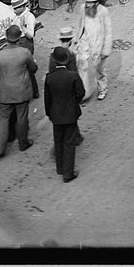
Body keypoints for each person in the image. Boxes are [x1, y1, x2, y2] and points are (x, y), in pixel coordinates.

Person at [0, 24, 37, 157]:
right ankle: (23, 143)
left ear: (6, 37)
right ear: (19, 38)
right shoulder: (25, 53)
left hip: (4, 93)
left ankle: (0, 149)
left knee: (3, 120)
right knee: (22, 118)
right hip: (22, 91)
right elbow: (33, 69)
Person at [44, 46, 85, 182]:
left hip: (55, 114)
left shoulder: (49, 78)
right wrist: (74, 103)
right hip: (70, 114)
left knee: (58, 141)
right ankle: (68, 173)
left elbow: (47, 98)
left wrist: (49, 113)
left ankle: (60, 167)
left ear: (54, 61)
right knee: (69, 143)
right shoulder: (72, 76)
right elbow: (80, 93)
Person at [74, 0, 113, 103]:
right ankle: (83, 92)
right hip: (85, 41)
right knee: (81, 65)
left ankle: (102, 89)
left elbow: (108, 31)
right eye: (87, 2)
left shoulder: (103, 11)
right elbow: (80, 24)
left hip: (98, 42)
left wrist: (106, 50)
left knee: (99, 67)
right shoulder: (82, 9)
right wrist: (77, 39)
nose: (88, 5)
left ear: (96, 2)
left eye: (91, 3)